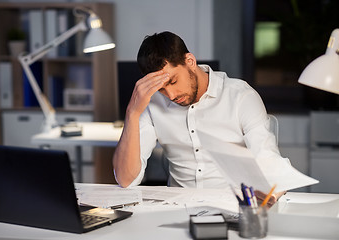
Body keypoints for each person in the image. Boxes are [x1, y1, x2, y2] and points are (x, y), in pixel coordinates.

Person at [113, 31, 287, 205]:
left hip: (233, 206)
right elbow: (126, 180)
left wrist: (267, 195)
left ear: (190, 61)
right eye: (161, 89)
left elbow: (270, 164)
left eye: (173, 81)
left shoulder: (241, 97)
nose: (171, 95)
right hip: (176, 209)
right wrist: (132, 113)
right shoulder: (151, 103)